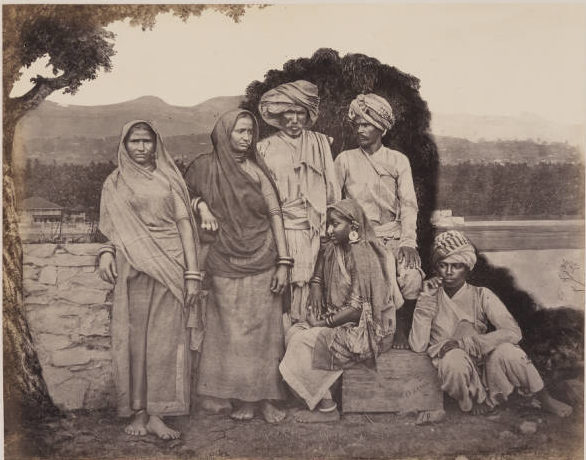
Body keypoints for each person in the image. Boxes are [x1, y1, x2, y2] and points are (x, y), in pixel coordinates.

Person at [183, 109, 291, 423]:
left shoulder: (258, 170)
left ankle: (266, 399)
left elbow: (275, 215)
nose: (246, 138)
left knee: (265, 335)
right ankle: (240, 398)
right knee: (229, 334)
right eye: (239, 131)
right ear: (224, 133)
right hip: (223, 259)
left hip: (264, 257)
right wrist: (201, 205)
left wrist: (284, 263)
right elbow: (182, 197)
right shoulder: (203, 168)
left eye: (249, 132)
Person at [98, 121, 201, 440]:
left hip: (171, 265)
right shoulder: (114, 182)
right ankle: (138, 412)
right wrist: (105, 253)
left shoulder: (169, 178)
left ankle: (158, 413)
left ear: (157, 144)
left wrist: (193, 273)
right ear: (124, 145)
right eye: (134, 141)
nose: (141, 147)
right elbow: (112, 228)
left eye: (147, 141)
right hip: (132, 268)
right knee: (135, 341)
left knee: (165, 341)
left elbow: (185, 225)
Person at [409, 230, 573, 417]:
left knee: (510, 351)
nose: (448, 272)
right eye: (443, 265)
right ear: (436, 268)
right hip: (454, 366)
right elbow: (418, 345)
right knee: (453, 361)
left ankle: (544, 399)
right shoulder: (429, 297)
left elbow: (513, 332)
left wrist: (467, 343)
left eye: (456, 266)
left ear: (467, 267)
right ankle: (472, 401)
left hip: (485, 360)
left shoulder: (481, 294)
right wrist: (424, 303)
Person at [279, 199, 402, 423]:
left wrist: (323, 323)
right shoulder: (334, 248)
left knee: (304, 340)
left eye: (334, 224)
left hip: (367, 329)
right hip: (340, 320)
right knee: (293, 332)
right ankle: (319, 396)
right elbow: (319, 267)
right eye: (328, 224)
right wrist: (316, 286)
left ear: (354, 227)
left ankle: (328, 408)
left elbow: (357, 309)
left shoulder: (364, 255)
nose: (328, 230)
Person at [335, 93, 423, 349]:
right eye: (357, 124)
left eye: (367, 124)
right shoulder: (345, 159)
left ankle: (402, 328)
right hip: (357, 238)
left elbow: (408, 205)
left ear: (381, 127)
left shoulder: (398, 161)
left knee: (411, 276)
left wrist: (408, 242)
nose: (361, 130)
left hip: (393, 236)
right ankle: (361, 332)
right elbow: (333, 203)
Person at [258, 80, 341, 325]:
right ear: (279, 116)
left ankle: (307, 334)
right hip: (280, 228)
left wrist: (331, 222)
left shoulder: (321, 143)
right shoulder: (265, 147)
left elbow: (332, 189)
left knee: (313, 284)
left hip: (315, 228)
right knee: (283, 284)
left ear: (308, 115)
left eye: (300, 113)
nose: (294, 119)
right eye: (289, 113)